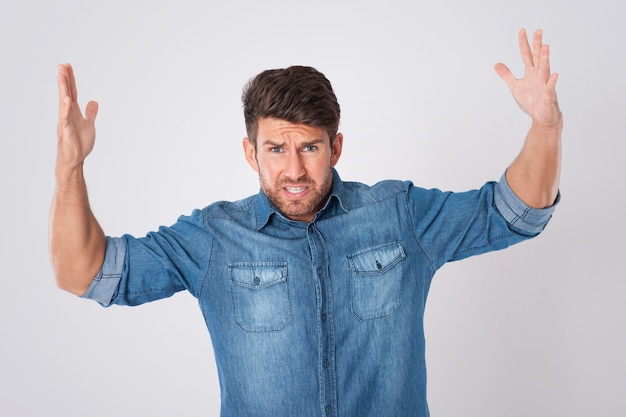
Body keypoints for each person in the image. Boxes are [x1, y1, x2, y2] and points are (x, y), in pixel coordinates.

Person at [50, 28, 562, 417]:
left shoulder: (400, 215)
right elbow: (85, 273)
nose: (294, 169)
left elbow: (517, 212)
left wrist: (545, 126)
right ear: (251, 153)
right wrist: (70, 167)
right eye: (276, 148)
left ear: (335, 146)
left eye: (310, 147)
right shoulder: (212, 238)